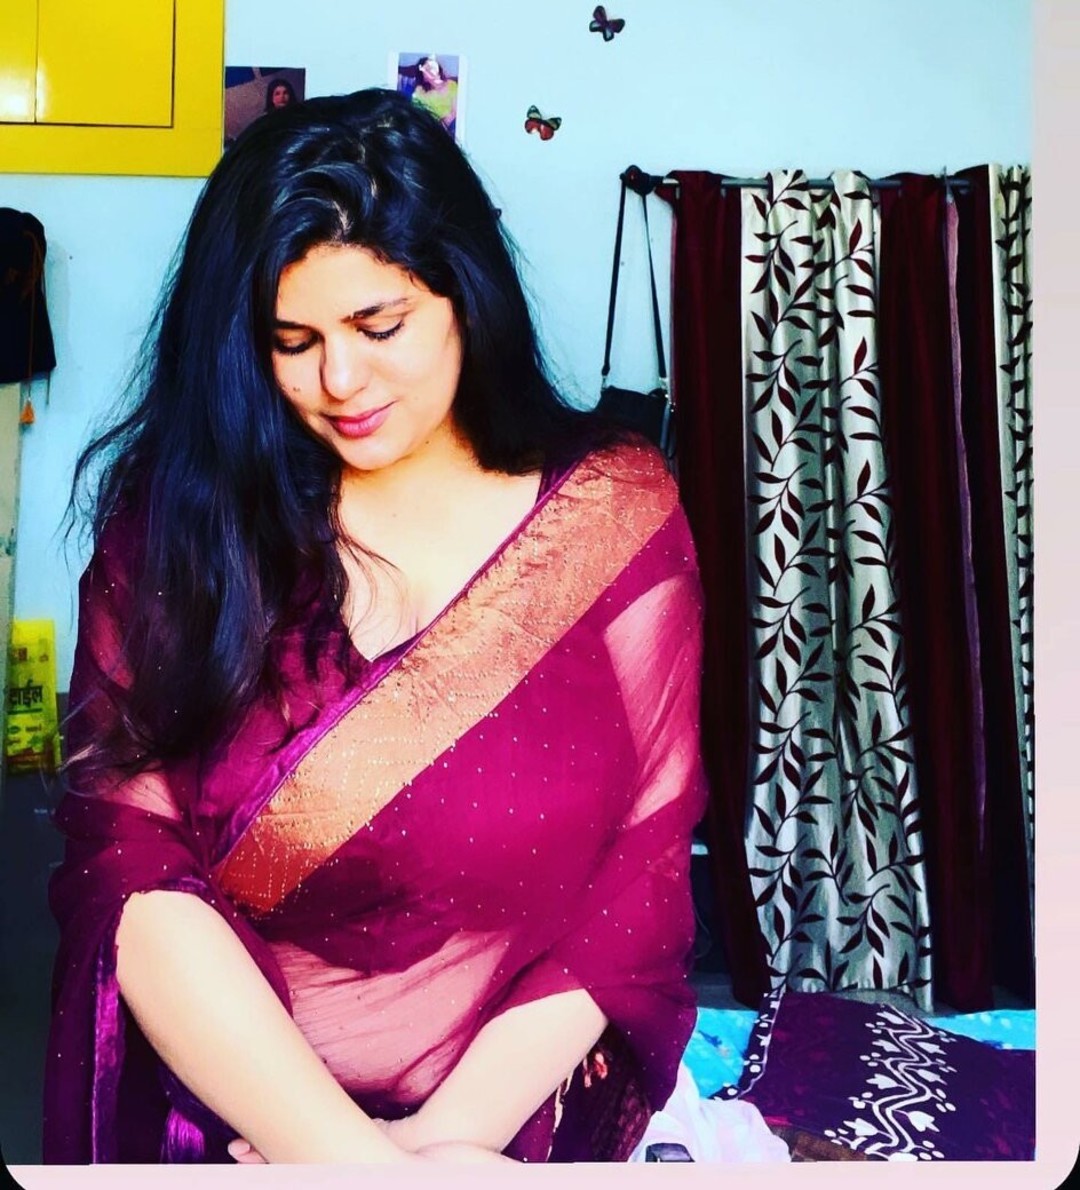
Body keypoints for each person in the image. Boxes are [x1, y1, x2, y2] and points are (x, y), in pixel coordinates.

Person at [43, 88, 717, 1165]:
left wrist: (438, 1150)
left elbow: (640, 870)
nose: (339, 381)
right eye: (293, 341)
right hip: (225, 1127)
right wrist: (345, 1160)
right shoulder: (180, 526)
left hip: (494, 1131)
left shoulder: (613, 518)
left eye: (379, 326)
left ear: (465, 295)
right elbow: (129, 858)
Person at [408, 55, 458, 134]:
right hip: (431, 127)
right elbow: (417, 114)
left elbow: (455, 111)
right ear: (423, 76)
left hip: (450, 125)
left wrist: (442, 127)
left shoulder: (452, 85)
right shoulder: (419, 91)